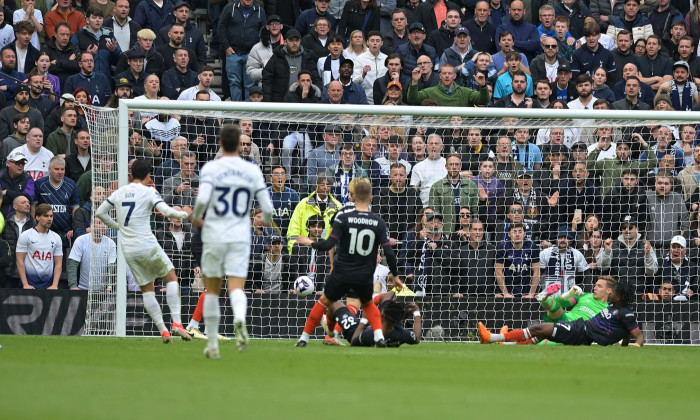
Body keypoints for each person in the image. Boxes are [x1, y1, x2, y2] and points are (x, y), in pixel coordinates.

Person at [189, 124, 274, 358]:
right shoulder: (252, 170)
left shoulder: (212, 168)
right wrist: (265, 220)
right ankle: (238, 318)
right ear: (239, 144)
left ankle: (212, 343)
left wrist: (196, 219)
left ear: (219, 143)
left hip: (215, 232)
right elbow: (267, 207)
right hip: (240, 233)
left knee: (212, 289)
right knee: (236, 286)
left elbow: (202, 199)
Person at [294, 179, 402, 347]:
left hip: (342, 270)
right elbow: (389, 252)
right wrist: (395, 276)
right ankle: (379, 338)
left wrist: (309, 242)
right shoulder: (378, 222)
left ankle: (304, 339)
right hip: (364, 273)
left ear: (353, 197)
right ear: (371, 198)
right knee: (366, 305)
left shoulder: (342, 217)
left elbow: (329, 244)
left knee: (324, 302)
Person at [96, 158, 192, 343]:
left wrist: (117, 226)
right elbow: (166, 212)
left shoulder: (119, 192)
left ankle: (163, 331)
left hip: (128, 249)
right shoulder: (149, 191)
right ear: (149, 176)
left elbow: (100, 213)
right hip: (146, 243)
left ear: (131, 174)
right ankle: (177, 323)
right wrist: (185, 213)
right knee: (171, 278)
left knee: (147, 289)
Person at [478, 281, 644, 346]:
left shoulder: (624, 313)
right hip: (575, 324)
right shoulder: (592, 298)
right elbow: (627, 331)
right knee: (545, 325)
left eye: (600, 286)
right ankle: (503, 343)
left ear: (618, 295)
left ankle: (492, 338)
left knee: (540, 330)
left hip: (581, 331)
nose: (594, 287)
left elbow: (636, 334)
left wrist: (636, 345)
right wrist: (571, 294)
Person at [326, 291, 421, 347]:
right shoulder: (400, 332)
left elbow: (353, 342)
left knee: (333, 303)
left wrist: (364, 319)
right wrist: (416, 312)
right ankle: (372, 300)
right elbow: (416, 338)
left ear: (382, 315)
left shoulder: (370, 335)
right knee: (391, 294)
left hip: (355, 329)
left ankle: (331, 333)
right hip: (376, 323)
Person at [218, 0, 266, 102]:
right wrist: (226, 46)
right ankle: (237, 110)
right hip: (232, 52)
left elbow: (264, 32)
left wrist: (257, 51)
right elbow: (221, 27)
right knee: (234, 82)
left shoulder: (260, 10)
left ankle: (248, 113)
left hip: (251, 54)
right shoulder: (230, 8)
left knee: (251, 84)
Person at [599, 214, 658, 291]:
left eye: (630, 227)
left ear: (637, 229)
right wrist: (607, 251)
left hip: (638, 292)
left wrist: (647, 255)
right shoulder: (612, 245)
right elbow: (602, 268)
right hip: (616, 293)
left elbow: (652, 271)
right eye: (624, 227)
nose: (627, 230)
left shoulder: (645, 246)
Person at [262, 29, 322, 103]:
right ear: (285, 41)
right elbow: (267, 80)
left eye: (297, 40)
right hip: (279, 102)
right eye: (291, 40)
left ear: (300, 41)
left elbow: (316, 79)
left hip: (302, 101)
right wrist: (267, 101)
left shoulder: (307, 57)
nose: (294, 43)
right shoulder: (277, 57)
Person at [428, 154, 479, 234]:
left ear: (460, 166)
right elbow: (434, 214)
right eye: (451, 164)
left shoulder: (471, 185)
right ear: (446, 166)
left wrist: (473, 231)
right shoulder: (437, 187)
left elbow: (475, 211)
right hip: (446, 232)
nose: (454, 167)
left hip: (467, 232)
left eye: (457, 164)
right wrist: (439, 233)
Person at [16, 203, 62, 289]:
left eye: (51, 216)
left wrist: (55, 285)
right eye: (46, 216)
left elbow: (58, 264)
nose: (49, 219)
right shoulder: (26, 235)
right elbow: (19, 261)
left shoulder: (56, 238)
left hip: (49, 286)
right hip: (29, 284)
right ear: (37, 217)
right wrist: (25, 284)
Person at [67, 218, 117, 290]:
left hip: (102, 292)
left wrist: (109, 285)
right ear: (91, 225)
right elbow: (72, 265)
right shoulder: (80, 240)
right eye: (99, 223)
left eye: (105, 223)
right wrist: (73, 286)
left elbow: (111, 267)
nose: (103, 226)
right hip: (83, 289)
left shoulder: (111, 243)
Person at [407, 62, 488, 106]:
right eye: (444, 73)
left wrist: (483, 86)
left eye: (449, 73)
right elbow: (412, 100)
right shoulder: (430, 92)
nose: (447, 76)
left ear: (455, 76)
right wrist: (414, 81)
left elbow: (483, 101)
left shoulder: (465, 92)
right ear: (440, 76)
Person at [538, 226, 589, 295]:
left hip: (569, 298)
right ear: (556, 239)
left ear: (571, 241)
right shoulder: (545, 253)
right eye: (560, 237)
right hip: (549, 298)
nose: (563, 240)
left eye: (566, 238)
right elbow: (537, 274)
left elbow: (587, 275)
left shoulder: (577, 254)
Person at [494, 222, 540, 298]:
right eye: (514, 232)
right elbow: (498, 271)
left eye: (520, 231)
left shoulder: (532, 246)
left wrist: (531, 294)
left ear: (524, 234)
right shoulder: (503, 247)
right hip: (508, 290)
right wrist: (505, 293)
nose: (517, 234)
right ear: (509, 234)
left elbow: (537, 271)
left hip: (527, 290)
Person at [1, 194, 34, 288]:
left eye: (28, 202)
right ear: (15, 206)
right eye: (23, 202)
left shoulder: (33, 224)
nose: (27, 204)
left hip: (28, 270)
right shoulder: (6, 222)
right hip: (9, 271)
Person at [246, 15, 284, 85]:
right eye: (271, 24)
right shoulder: (257, 48)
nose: (274, 26)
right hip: (266, 87)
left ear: (281, 26)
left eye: (277, 23)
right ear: (267, 27)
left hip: (285, 86)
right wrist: (265, 72)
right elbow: (250, 71)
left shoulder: (289, 45)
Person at [41, 22, 81, 89]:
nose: (65, 38)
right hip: (51, 86)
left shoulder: (74, 48)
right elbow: (46, 68)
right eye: (62, 34)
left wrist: (57, 62)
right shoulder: (46, 48)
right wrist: (68, 62)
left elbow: (77, 66)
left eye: (68, 35)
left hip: (70, 87)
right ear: (55, 34)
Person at [410, 133, 447, 206]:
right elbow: (413, 191)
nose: (433, 146)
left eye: (436, 144)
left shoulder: (449, 164)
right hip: (425, 208)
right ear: (426, 147)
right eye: (431, 144)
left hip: (446, 206)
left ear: (442, 147)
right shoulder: (418, 167)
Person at [0, 149, 34, 216]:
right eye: (17, 163)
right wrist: (19, 197)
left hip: (22, 217)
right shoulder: (0, 177)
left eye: (23, 163)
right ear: (9, 163)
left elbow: (28, 198)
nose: (21, 165)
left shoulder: (28, 178)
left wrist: (7, 192)